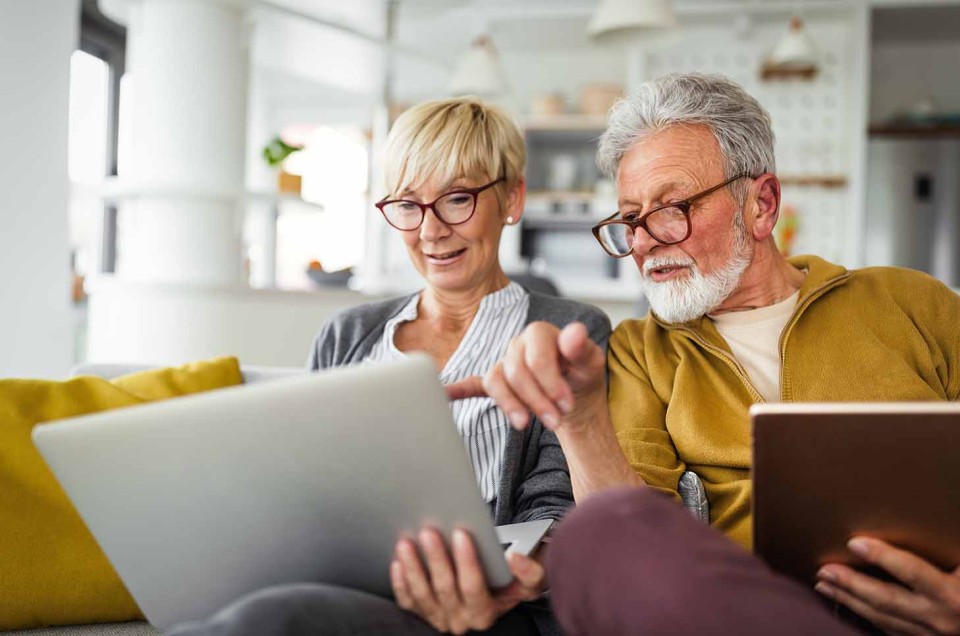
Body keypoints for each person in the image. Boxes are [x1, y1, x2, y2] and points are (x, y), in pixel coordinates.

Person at [449, 73, 960, 634]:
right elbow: (630, 548)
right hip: (736, 618)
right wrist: (579, 419)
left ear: (762, 205)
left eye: (672, 208)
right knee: (594, 537)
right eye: (630, 219)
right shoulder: (639, 352)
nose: (642, 242)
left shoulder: (912, 303)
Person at [169, 97, 610, 636]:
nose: (430, 230)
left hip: (486, 609)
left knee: (272, 620)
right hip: (351, 583)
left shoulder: (568, 332)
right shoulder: (348, 334)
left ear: (511, 198)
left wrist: (513, 577)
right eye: (407, 204)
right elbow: (305, 483)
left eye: (456, 199)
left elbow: (560, 517)